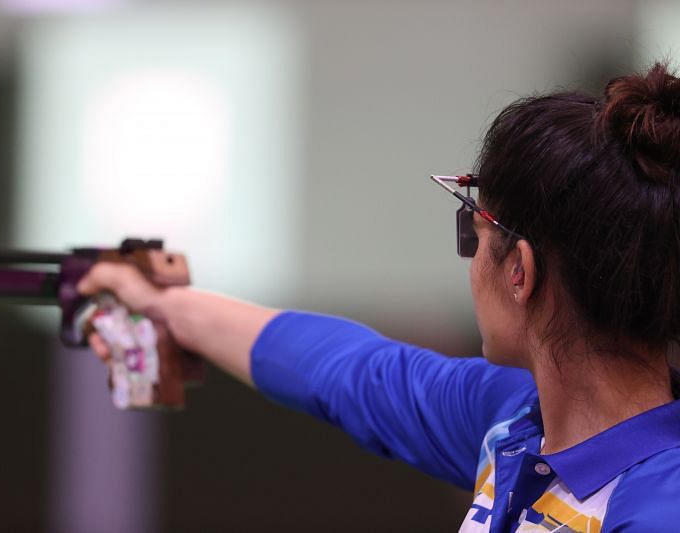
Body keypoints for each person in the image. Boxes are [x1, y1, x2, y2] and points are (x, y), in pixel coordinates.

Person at [77, 63, 680, 532]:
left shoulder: (659, 505)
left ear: (519, 271)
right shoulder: (521, 420)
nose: (472, 265)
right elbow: (344, 370)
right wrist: (159, 304)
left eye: (478, 237)